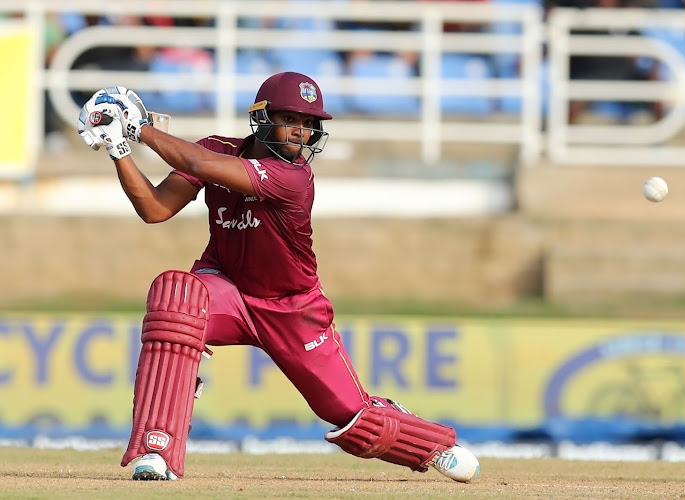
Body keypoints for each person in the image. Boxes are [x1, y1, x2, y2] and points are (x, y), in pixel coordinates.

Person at [76, 73, 481, 483]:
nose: (300, 132)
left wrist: (138, 128)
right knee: (176, 295)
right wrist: (119, 148)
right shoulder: (218, 148)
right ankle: (156, 450)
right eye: (290, 119)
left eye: (308, 123)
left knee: (348, 414)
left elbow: (198, 164)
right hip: (227, 291)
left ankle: (433, 444)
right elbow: (155, 208)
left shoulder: (293, 177)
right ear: (263, 117)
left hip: (292, 308)